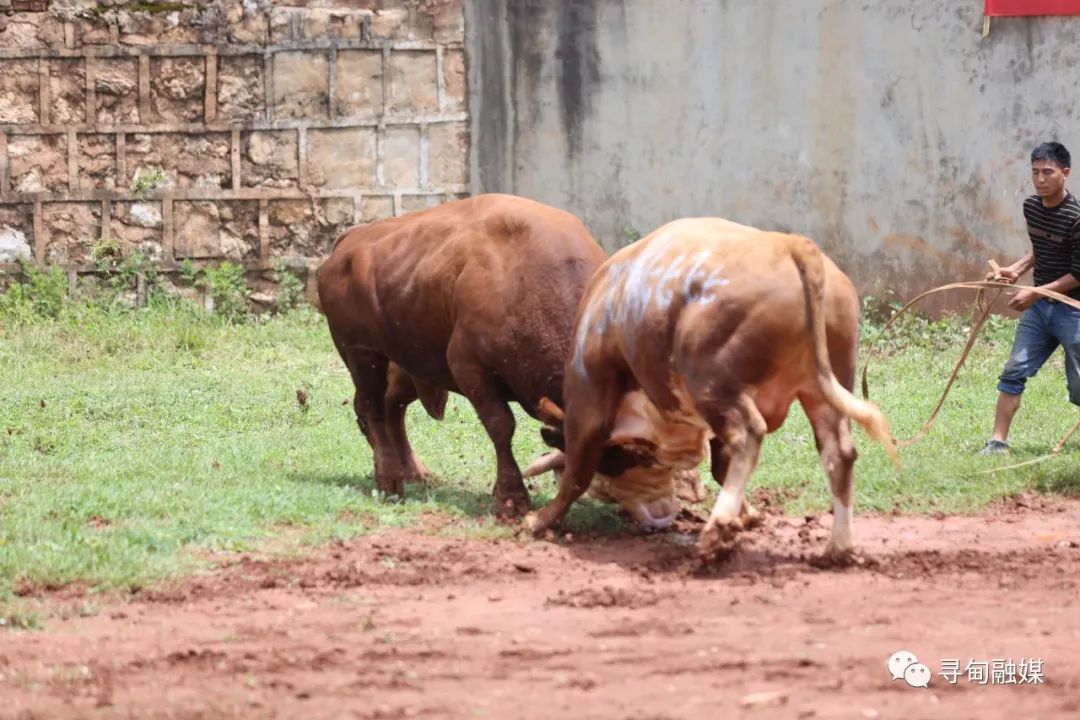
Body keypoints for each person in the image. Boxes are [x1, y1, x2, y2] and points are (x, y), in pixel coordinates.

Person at [981, 141, 1080, 454]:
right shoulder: (1032, 207)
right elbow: (1042, 247)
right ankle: (997, 442)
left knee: (1079, 386)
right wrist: (1015, 269)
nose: (1040, 179)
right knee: (1015, 369)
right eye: (1035, 172)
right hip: (1040, 312)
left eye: (1048, 172)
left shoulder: (1077, 219)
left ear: (1065, 173)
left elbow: (1078, 275)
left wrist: (1034, 293)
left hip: (1072, 311)